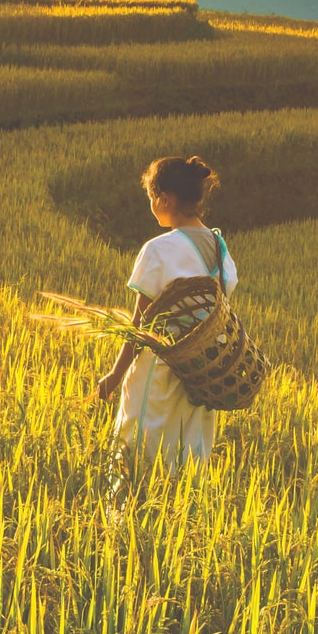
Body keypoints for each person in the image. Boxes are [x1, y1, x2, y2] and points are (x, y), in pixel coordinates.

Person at [94, 156, 238, 470]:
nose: (151, 205)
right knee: (186, 466)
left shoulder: (158, 250)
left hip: (158, 375)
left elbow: (139, 327)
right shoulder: (220, 248)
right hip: (200, 378)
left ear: (165, 199)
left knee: (137, 462)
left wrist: (114, 378)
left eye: (151, 198)